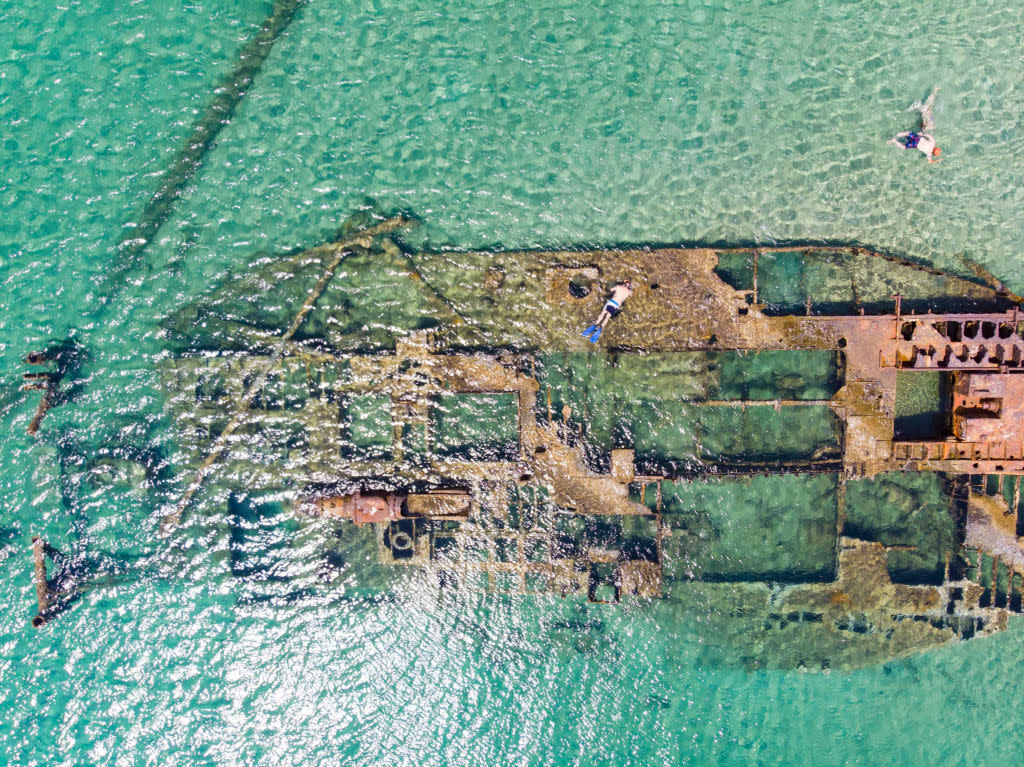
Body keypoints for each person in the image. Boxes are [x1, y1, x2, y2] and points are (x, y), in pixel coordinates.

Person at [888, 86, 942, 163]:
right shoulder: (929, 153)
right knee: (904, 147)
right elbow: (930, 162)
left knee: (908, 133)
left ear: (936, 147)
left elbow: (929, 136)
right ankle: (894, 141)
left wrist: (922, 134)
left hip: (918, 138)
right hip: (915, 144)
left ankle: (899, 135)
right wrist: (938, 160)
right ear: (933, 153)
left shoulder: (933, 143)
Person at [581, 279, 633, 343]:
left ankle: (596, 324)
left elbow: (611, 290)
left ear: (624, 283)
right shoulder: (629, 292)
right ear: (629, 286)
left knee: (602, 314)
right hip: (616, 306)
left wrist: (619, 284)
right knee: (607, 317)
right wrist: (630, 288)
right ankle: (601, 328)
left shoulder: (618, 287)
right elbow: (631, 294)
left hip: (611, 302)